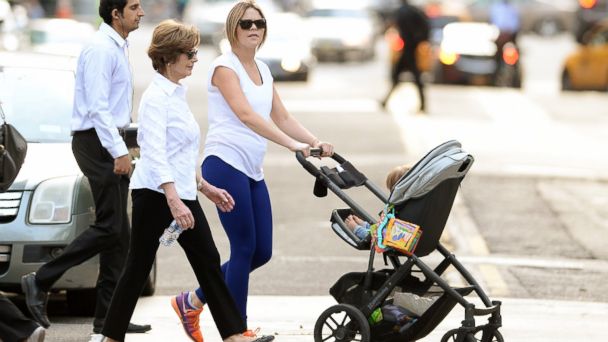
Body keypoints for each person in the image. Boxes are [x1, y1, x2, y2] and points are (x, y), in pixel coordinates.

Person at [100, 19, 273, 342]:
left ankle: (234, 334)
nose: (195, 58)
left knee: (208, 261)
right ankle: (110, 337)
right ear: (169, 57)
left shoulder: (177, 93)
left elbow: (179, 153)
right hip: (155, 194)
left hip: (179, 192)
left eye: (194, 52)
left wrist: (204, 187)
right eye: (189, 53)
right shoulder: (156, 98)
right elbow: (154, 153)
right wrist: (174, 200)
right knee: (137, 268)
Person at [170, 1, 334, 341]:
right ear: (233, 29)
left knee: (262, 251)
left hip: (251, 168)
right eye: (246, 23)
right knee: (243, 248)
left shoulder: (263, 68)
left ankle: (193, 300)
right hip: (224, 163)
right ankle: (237, 329)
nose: (254, 28)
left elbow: (282, 117)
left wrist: (315, 141)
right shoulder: (223, 67)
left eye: (259, 22)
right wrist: (291, 145)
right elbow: (245, 114)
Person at [20, 0, 150, 339]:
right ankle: (40, 279)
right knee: (109, 228)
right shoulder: (99, 49)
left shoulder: (117, 47)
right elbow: (97, 107)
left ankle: (109, 319)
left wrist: (127, 140)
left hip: (109, 141)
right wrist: (118, 150)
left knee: (120, 236)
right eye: (135, 7)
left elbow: (115, 105)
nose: (142, 12)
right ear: (115, 13)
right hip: (97, 143)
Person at [381, 0, 429, 113]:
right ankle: (386, 100)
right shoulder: (416, 11)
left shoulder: (400, 12)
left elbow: (391, 28)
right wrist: (420, 40)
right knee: (411, 77)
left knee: (400, 77)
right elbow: (426, 27)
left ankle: (422, 104)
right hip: (411, 49)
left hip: (405, 50)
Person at [345, 165, 411, 239]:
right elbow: (384, 230)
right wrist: (365, 225)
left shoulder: (402, 213)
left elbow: (384, 239)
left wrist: (356, 229)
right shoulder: (413, 207)